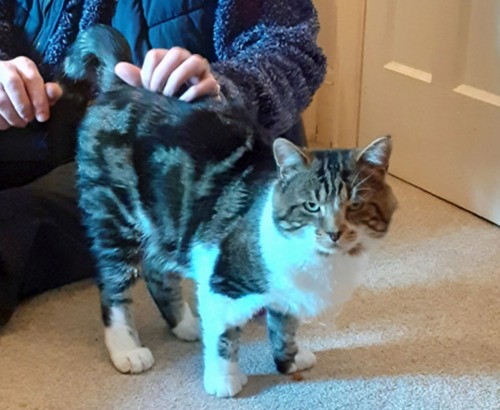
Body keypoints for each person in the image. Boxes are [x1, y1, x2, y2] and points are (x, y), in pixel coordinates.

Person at [0, 0, 326, 325]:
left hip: (188, 155)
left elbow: (291, 50)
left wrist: (225, 91)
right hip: (50, 130)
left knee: (16, 217)